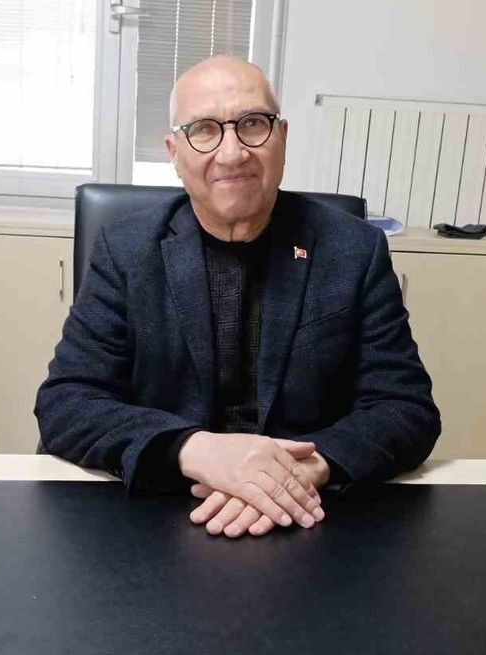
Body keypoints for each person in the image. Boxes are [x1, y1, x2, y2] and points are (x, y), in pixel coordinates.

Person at [35, 57, 439, 539]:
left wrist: (300, 471)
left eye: (252, 124)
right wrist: (193, 450)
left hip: (309, 511)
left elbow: (405, 407)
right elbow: (68, 401)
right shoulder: (127, 249)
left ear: (282, 137)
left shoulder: (354, 250)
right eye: (204, 130)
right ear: (175, 152)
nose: (232, 153)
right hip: (161, 508)